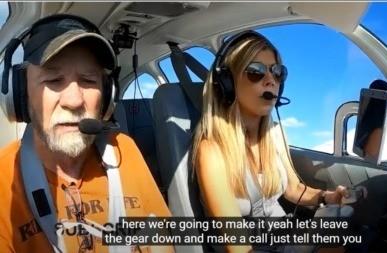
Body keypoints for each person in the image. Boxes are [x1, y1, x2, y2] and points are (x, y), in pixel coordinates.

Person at [0, 14, 172, 253]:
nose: (74, 100)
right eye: (53, 79)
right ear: (21, 95)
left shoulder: (124, 149)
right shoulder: (4, 180)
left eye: (88, 80)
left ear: (108, 97)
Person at [192, 31, 349, 253]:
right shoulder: (212, 150)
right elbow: (237, 247)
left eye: (277, 72)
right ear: (227, 82)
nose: (271, 80)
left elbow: (294, 189)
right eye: (255, 72)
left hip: (283, 236)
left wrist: (328, 197)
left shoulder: (275, 135)